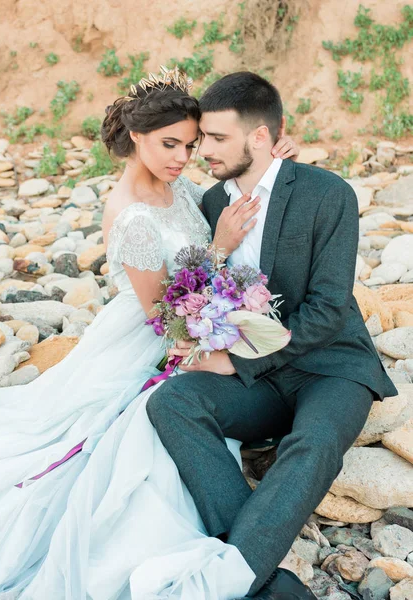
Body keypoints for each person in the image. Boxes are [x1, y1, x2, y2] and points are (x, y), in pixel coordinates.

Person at [0, 68, 299, 599]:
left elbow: (231, 195)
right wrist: (218, 251)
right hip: (148, 339)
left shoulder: (181, 187)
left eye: (191, 145)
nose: (181, 157)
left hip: (193, 323)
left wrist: (270, 159)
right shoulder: (129, 215)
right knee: (123, 448)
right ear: (136, 137)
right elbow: (161, 312)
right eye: (169, 144)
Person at [146, 71, 398, 599]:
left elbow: (329, 311)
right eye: (201, 139)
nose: (202, 150)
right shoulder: (210, 206)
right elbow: (196, 284)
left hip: (330, 367)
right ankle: (260, 580)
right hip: (261, 383)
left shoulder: (327, 194)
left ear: (260, 137)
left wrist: (235, 362)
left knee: (314, 441)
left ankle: (232, 575)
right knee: (172, 402)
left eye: (215, 139)